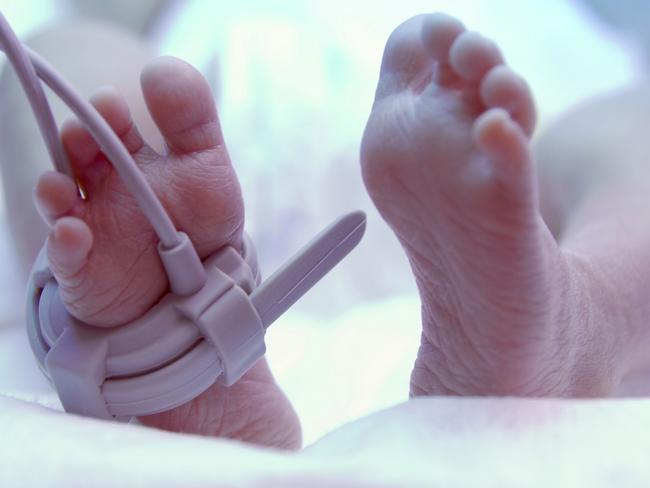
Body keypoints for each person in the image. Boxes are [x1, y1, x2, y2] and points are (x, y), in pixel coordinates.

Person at [9, 11, 650, 453]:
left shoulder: (579, 25)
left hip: (490, 182)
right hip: (197, 174)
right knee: (64, 49)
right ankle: (156, 345)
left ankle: (578, 315)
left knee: (629, 123)